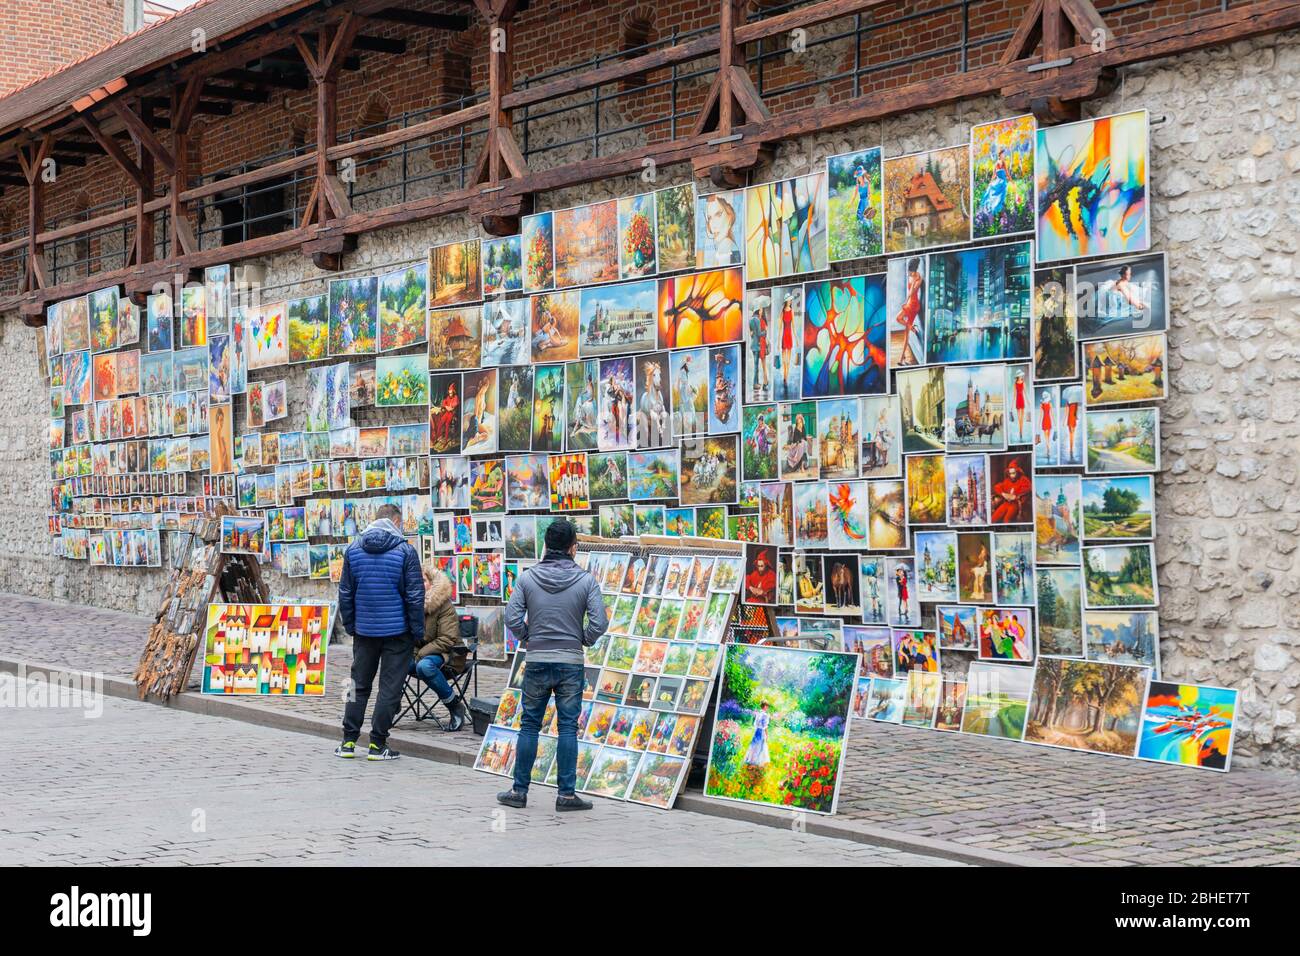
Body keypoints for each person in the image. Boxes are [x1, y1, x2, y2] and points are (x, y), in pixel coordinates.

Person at [498, 519, 609, 811]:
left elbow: (511, 618)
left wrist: (529, 637)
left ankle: (519, 791)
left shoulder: (527, 578)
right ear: (573, 548)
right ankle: (566, 795)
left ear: (546, 546)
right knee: (568, 728)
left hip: (536, 660)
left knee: (529, 725)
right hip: (570, 662)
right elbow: (600, 622)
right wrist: (582, 639)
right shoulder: (586, 581)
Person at [335, 503, 424, 761]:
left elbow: (345, 593)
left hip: (364, 631)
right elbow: (415, 596)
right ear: (395, 522)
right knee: (389, 688)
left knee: (356, 684)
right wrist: (417, 631)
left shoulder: (353, 550)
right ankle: (377, 744)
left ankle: (348, 741)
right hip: (397, 631)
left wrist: (351, 625)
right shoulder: (406, 552)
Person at [412, 562, 469, 731]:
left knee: (424, 666)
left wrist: (420, 653)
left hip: (448, 655)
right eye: (416, 581)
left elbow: (447, 639)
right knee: (394, 661)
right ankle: (392, 704)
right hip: (419, 653)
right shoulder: (412, 605)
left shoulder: (444, 606)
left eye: (423, 580)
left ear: (432, 583)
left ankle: (454, 705)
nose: (420, 585)